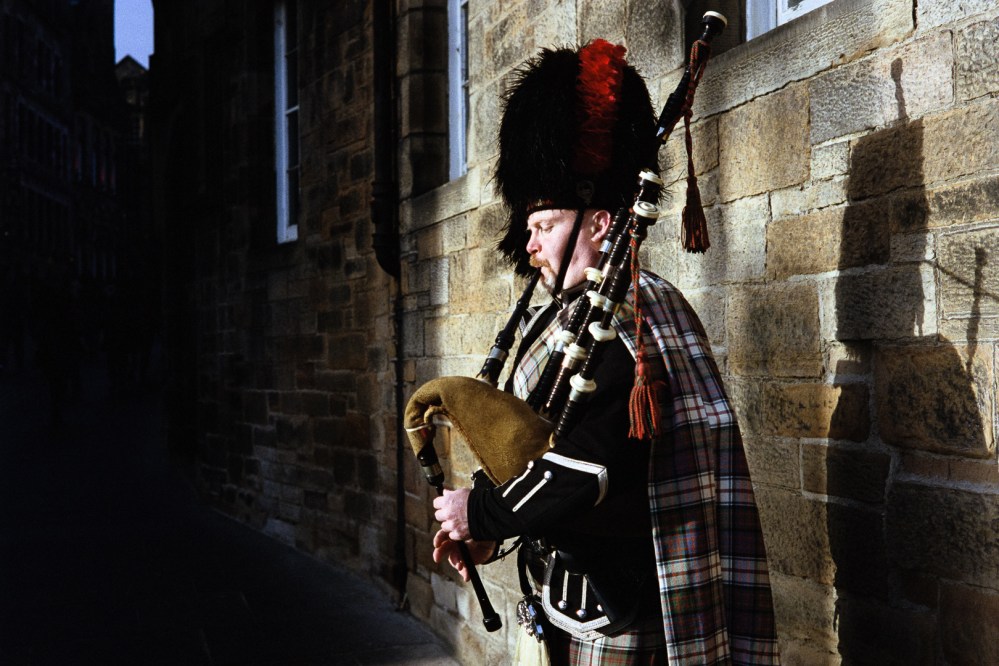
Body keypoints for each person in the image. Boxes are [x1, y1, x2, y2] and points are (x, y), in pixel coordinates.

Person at [431, 39, 779, 665]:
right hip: (566, 594)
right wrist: (488, 532)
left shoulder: (634, 320)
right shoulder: (571, 316)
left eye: (544, 226)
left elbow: (587, 464)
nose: (530, 246)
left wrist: (481, 513)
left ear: (598, 223)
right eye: (529, 229)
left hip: (623, 614)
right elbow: (535, 441)